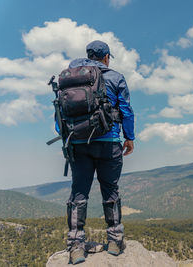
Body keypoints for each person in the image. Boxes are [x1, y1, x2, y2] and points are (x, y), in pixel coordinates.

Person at [62, 40, 135, 264]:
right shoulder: (115, 77)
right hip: (108, 142)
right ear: (106, 57)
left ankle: (76, 246)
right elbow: (126, 110)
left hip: (78, 143)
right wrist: (129, 137)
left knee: (79, 193)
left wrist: (70, 137)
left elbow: (60, 112)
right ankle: (114, 240)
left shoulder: (69, 78)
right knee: (110, 190)